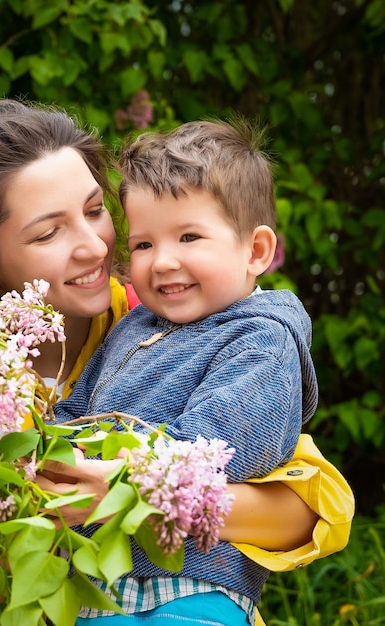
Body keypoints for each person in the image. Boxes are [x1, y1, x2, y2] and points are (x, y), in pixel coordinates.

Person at [0, 100, 353, 626]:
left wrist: (133, 490)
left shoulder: (168, 317)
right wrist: (31, 527)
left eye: (94, 211)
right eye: (48, 233)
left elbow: (313, 506)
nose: (93, 247)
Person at [51, 117, 321, 625]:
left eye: (189, 236)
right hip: (100, 587)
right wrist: (49, 450)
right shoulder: (134, 325)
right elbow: (76, 410)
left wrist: (111, 474)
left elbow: (219, 450)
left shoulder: (261, 337)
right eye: (144, 244)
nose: (162, 262)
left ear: (257, 250)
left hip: (188, 590)